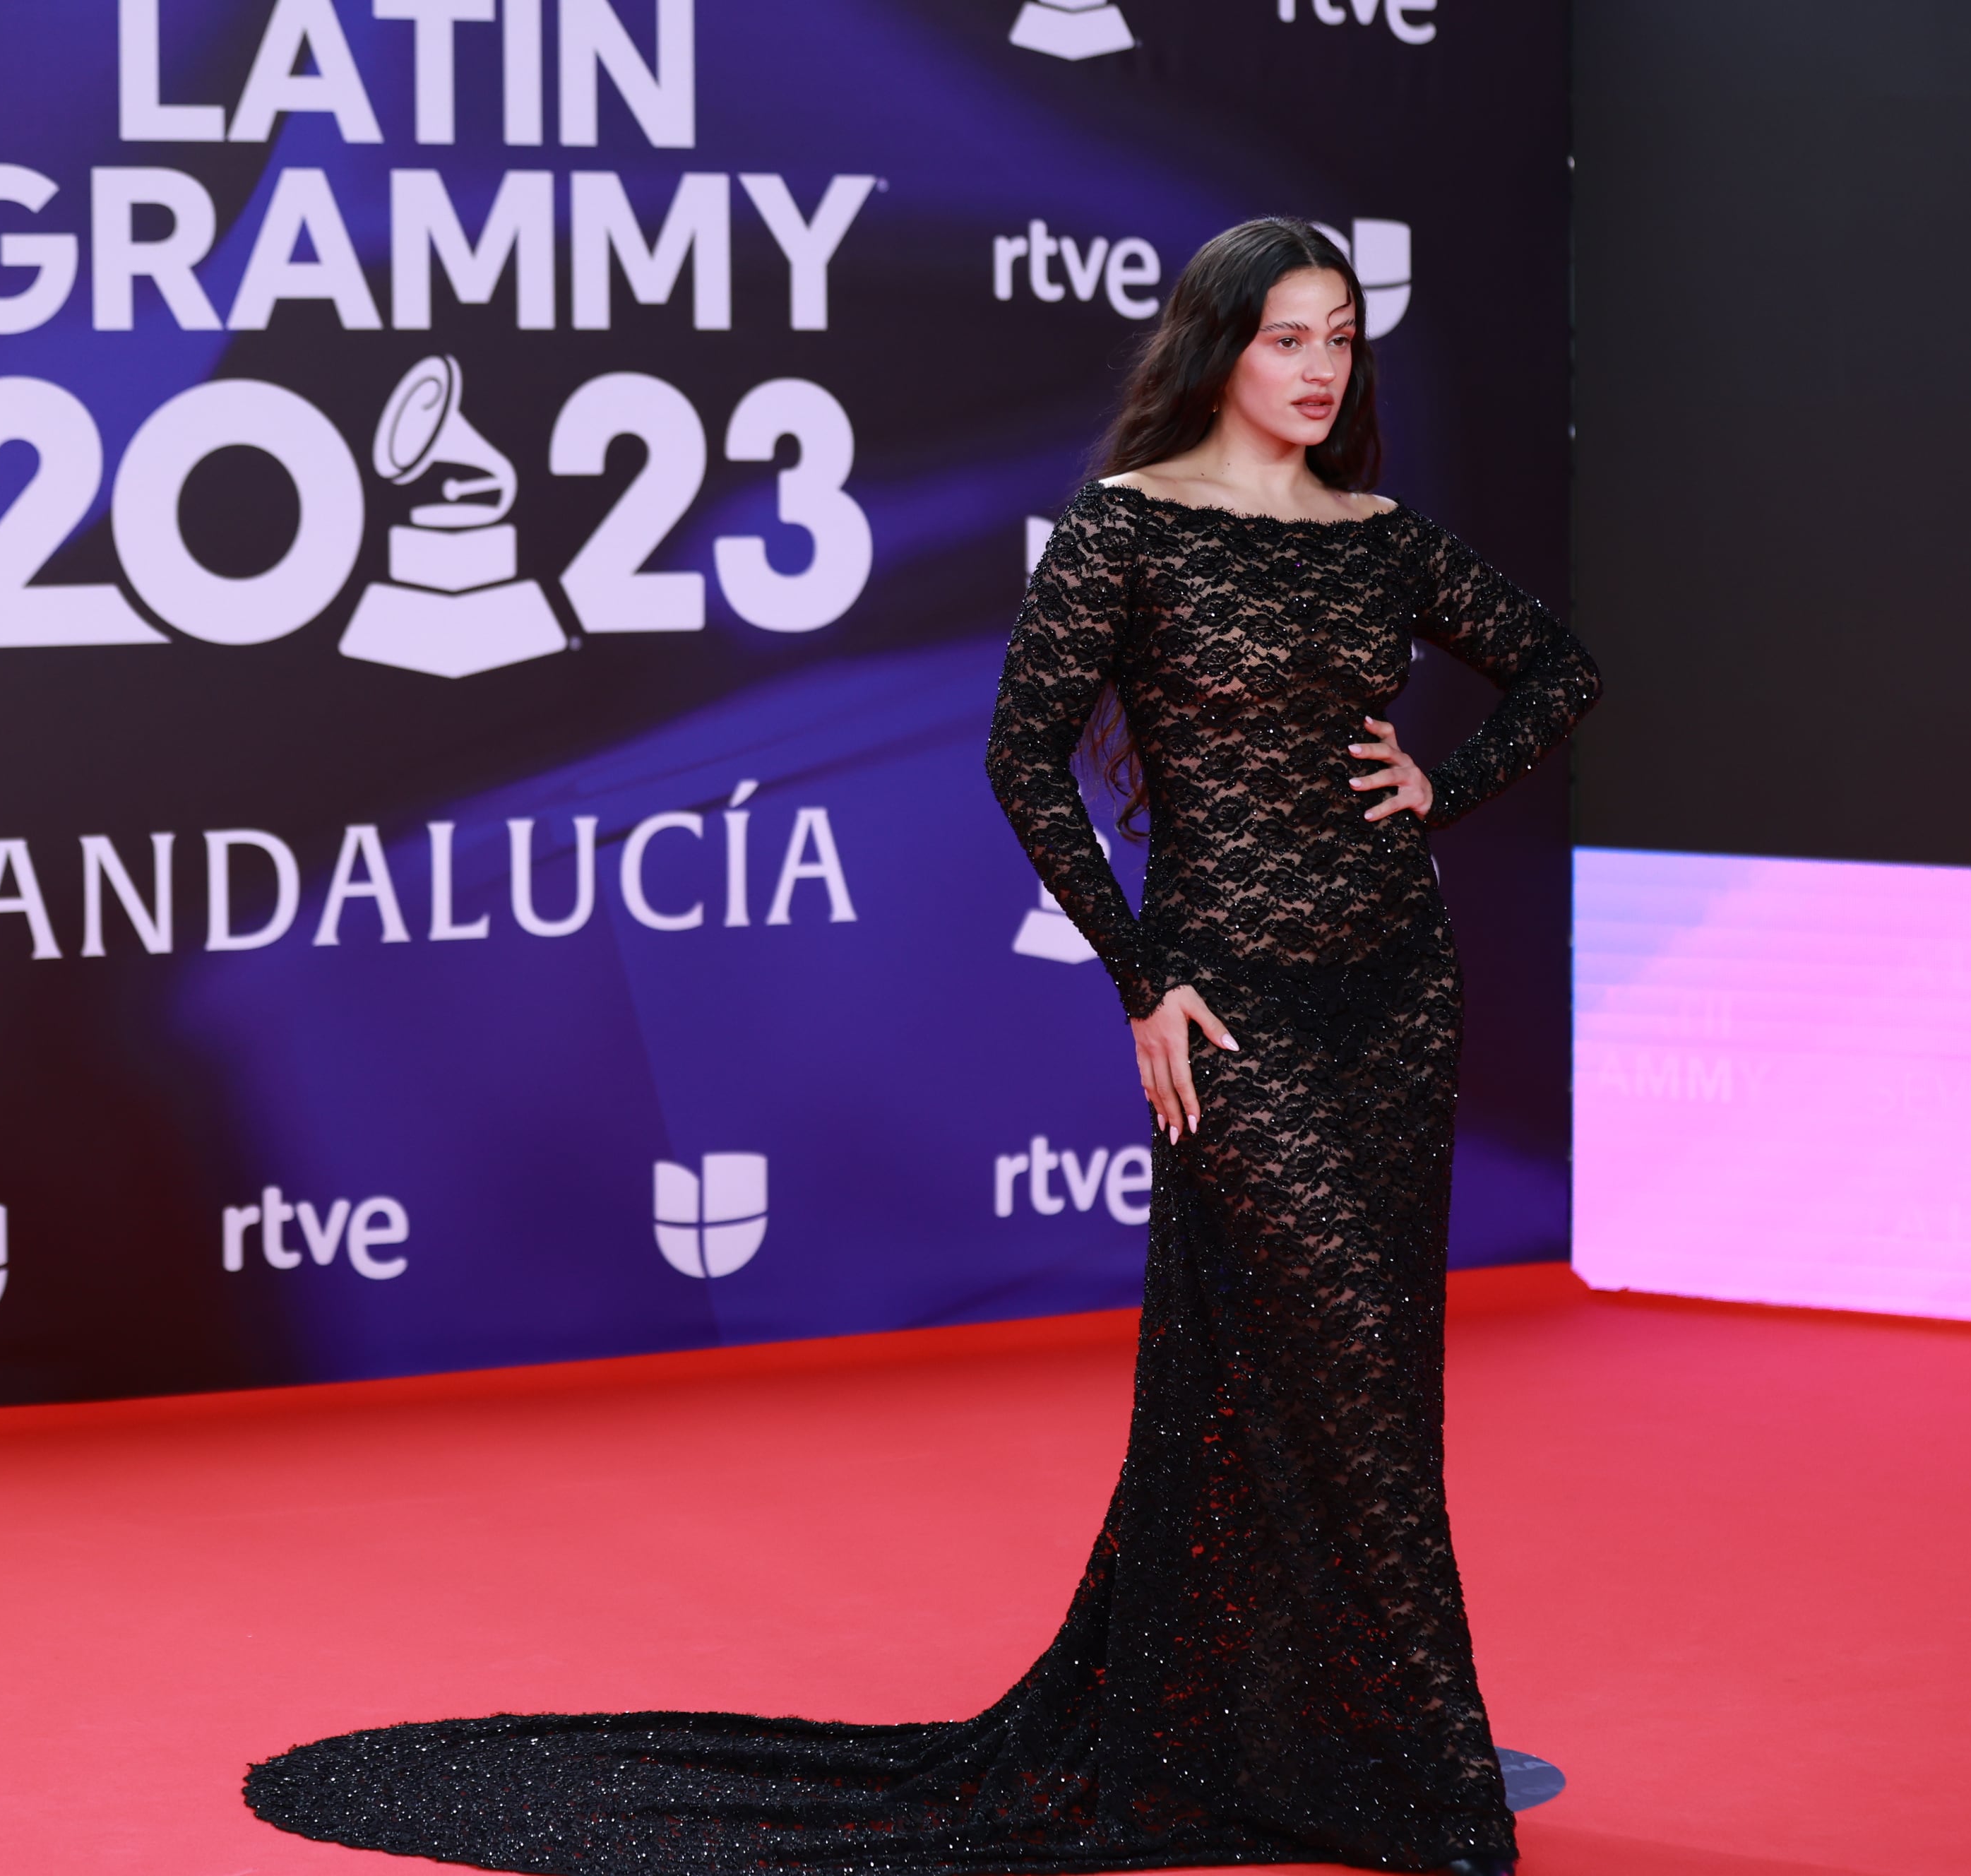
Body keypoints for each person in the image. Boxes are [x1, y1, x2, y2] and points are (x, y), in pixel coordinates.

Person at [244, 218, 1599, 1876]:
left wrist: (1434, 790)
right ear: (1218, 348)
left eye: (1341, 340)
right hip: (1228, 999)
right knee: (1309, 1353)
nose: (1319, 371)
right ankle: (1428, 1774)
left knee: (1377, 1373)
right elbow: (1025, 756)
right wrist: (1140, 974)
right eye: (1287, 338)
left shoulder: (1381, 536)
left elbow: (1559, 666)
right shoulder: (1132, 530)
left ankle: (1334, 1743)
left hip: (1395, 992)